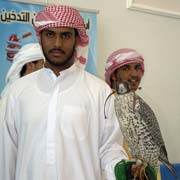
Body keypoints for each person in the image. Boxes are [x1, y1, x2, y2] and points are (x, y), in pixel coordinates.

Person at [0, 5, 128, 180]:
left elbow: (110, 150)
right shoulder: (18, 91)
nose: (57, 43)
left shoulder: (99, 91)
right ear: (40, 38)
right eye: (50, 34)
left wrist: (126, 172)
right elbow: (7, 154)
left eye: (66, 35)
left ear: (77, 39)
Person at [105, 48, 161, 180]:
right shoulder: (106, 105)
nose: (134, 74)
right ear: (113, 74)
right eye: (126, 69)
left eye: (137, 68)